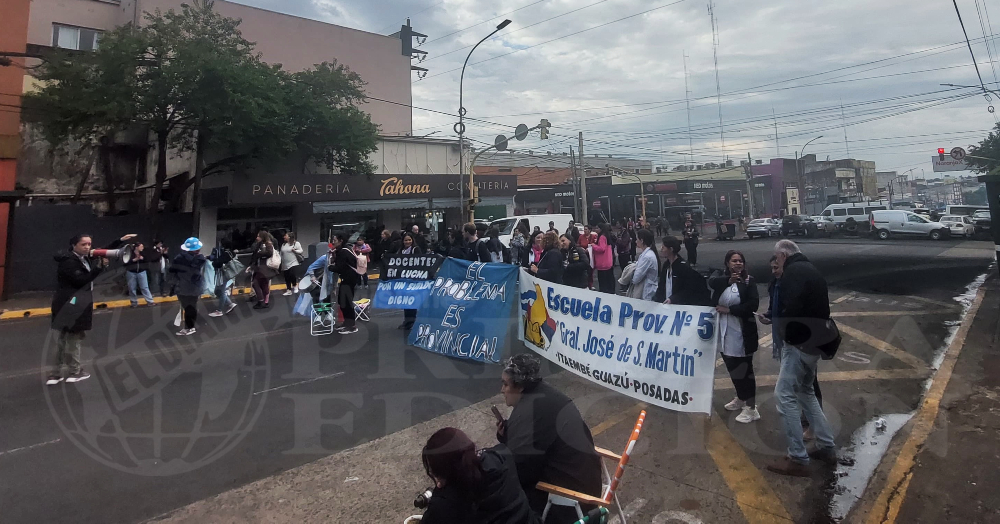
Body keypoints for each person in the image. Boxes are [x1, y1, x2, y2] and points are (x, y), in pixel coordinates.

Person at [496, 354, 602, 518]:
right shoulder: (546, 396)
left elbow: (519, 466)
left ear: (520, 386)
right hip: (588, 483)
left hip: (571, 502)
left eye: (505, 384)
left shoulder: (530, 411)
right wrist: (506, 436)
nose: (502, 390)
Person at [766, 239, 837, 477]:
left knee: (783, 395)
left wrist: (784, 330)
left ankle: (797, 457)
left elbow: (792, 308)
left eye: (777, 258)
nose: (776, 262)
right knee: (806, 392)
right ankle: (826, 446)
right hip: (815, 343)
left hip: (799, 344)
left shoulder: (793, 272)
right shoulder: (811, 269)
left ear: (783, 255)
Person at [48, 233, 133, 385]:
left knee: (63, 339)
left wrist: (119, 241)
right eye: (83, 244)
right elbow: (82, 280)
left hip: (67, 302)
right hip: (73, 303)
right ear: (74, 245)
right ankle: (74, 372)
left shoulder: (80, 257)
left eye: (89, 244)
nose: (88, 247)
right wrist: (99, 268)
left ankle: (56, 374)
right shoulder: (69, 262)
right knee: (74, 338)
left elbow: (103, 250)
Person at [759, 255, 823, 441]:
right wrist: (769, 316)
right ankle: (812, 425)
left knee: (806, 385)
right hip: (784, 338)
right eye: (772, 268)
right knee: (800, 384)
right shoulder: (775, 285)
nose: (774, 271)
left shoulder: (794, 284)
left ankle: (810, 428)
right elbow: (775, 309)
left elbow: (797, 311)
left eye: (777, 267)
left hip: (801, 341)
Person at [419, 428, 540, 524]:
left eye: (437, 476)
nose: (438, 484)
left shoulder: (444, 504)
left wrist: (438, 497)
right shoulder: (502, 456)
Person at [708, 250, 760, 424]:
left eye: (740, 261)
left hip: (741, 331)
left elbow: (753, 305)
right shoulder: (720, 278)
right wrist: (728, 281)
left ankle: (751, 408)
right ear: (727, 263)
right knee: (731, 366)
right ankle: (741, 397)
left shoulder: (749, 281)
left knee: (745, 369)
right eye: (734, 261)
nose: (738, 264)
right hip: (724, 330)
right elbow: (711, 282)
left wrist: (730, 310)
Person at [653, 236, 710, 305]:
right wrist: (656, 300)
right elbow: (661, 285)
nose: (661, 250)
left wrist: (673, 299)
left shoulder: (683, 267)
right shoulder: (666, 265)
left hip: (679, 305)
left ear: (671, 249)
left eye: (663, 247)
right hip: (666, 304)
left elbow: (688, 289)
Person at [169, 237, 208, 336]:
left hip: (182, 286)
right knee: (192, 306)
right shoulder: (200, 259)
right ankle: (190, 326)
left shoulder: (179, 258)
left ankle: (189, 327)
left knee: (187, 306)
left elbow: (172, 270)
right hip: (195, 287)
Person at [330, 232, 361, 334]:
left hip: (349, 279)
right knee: (342, 301)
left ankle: (351, 326)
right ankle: (347, 323)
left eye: (335, 240)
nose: (333, 242)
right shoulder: (346, 249)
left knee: (346, 302)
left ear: (341, 241)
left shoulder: (343, 252)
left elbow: (339, 267)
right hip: (350, 278)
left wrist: (330, 267)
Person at [239, 231, 278, 309]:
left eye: (258, 236)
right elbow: (255, 256)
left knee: (256, 283)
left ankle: (261, 301)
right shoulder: (258, 244)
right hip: (258, 267)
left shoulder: (268, 244)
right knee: (263, 284)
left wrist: (260, 253)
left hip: (265, 267)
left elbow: (269, 253)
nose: (257, 238)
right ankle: (265, 302)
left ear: (262, 237)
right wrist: (251, 265)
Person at [398, 232, 423, 330]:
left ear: (412, 240)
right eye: (405, 240)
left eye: (409, 240)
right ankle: (406, 320)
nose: (407, 242)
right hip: (404, 279)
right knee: (405, 300)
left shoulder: (415, 249)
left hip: (413, 279)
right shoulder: (401, 250)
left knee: (412, 300)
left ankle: (412, 321)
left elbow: (421, 261)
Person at [207, 240, 237, 317]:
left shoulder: (224, 254)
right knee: (217, 291)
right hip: (227, 273)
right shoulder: (231, 252)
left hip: (223, 274)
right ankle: (230, 304)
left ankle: (219, 311)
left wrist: (213, 260)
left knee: (221, 291)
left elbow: (218, 263)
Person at [630, 229, 659, 301]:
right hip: (646, 290)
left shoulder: (647, 257)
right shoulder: (647, 254)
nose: (635, 241)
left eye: (637, 239)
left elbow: (636, 278)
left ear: (642, 240)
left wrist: (631, 274)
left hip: (646, 291)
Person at [124, 242, 156, 307]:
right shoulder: (130, 253)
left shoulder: (143, 253)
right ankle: (134, 302)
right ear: (136, 247)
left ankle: (150, 301)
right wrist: (134, 260)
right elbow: (125, 262)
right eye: (141, 246)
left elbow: (148, 259)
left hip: (141, 271)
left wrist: (142, 258)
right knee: (132, 288)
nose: (142, 248)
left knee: (144, 287)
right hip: (131, 272)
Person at [591, 223, 616, 294]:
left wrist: (593, 246)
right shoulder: (606, 236)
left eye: (597, 228)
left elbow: (602, 248)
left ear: (601, 229)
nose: (595, 229)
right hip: (608, 262)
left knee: (603, 283)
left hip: (602, 263)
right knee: (609, 280)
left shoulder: (602, 237)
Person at [280, 232, 304, 296]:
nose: (284, 237)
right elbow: (281, 253)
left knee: (292, 274)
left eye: (285, 236)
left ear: (289, 237)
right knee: (286, 276)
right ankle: (288, 290)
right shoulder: (284, 244)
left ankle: (295, 286)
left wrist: (295, 251)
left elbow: (301, 251)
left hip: (293, 262)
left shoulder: (296, 243)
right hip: (285, 263)